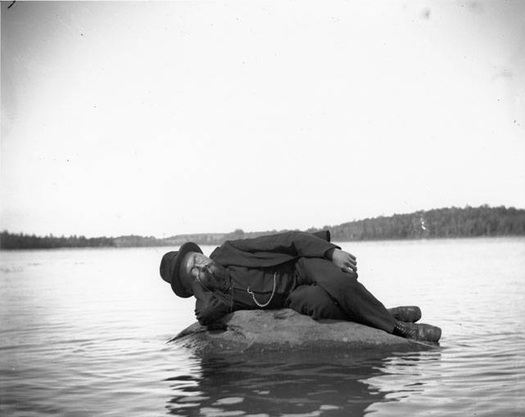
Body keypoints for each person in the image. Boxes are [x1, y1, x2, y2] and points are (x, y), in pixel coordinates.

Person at [160, 230, 441, 343]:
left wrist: (331, 252)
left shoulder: (230, 251)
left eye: (198, 259)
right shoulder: (214, 298)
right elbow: (204, 313)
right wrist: (198, 283)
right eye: (193, 272)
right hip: (292, 295)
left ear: (203, 252)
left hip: (301, 265)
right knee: (319, 306)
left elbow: (286, 240)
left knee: (339, 284)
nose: (202, 266)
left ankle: (398, 329)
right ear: (192, 285)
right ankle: (386, 312)